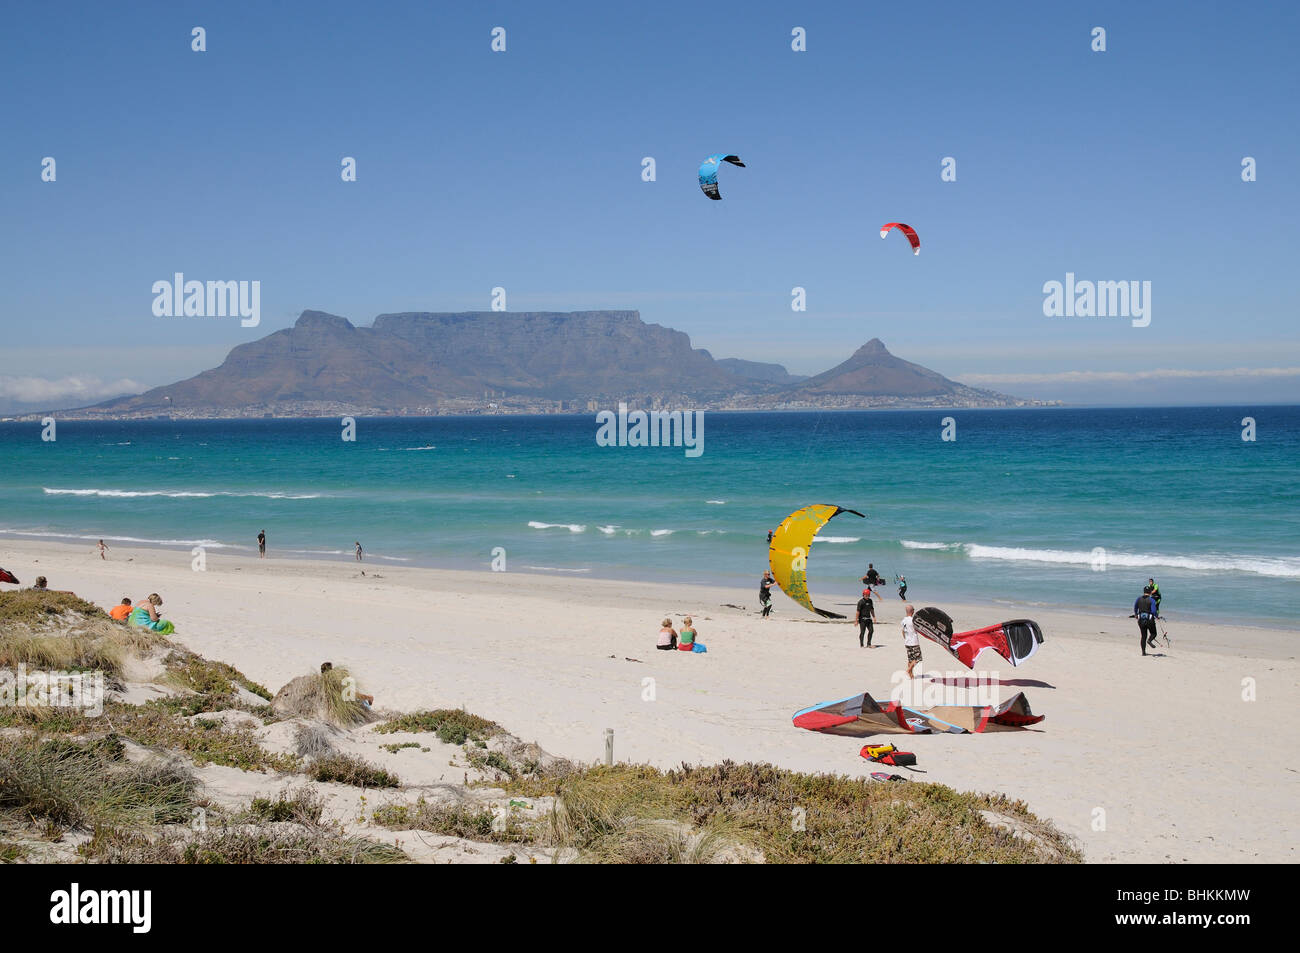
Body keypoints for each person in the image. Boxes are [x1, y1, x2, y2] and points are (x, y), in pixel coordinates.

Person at [1134, 586, 1161, 655]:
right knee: (1153, 633)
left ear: (1144, 592)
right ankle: (1149, 640)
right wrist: (1157, 616)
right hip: (1149, 620)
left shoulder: (1138, 599)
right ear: (1150, 592)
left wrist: (1136, 614)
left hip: (1141, 619)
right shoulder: (1152, 600)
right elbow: (1154, 611)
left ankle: (1143, 652)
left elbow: (1135, 607)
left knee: (1143, 636)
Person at [901, 603, 921, 677]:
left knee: (910, 659)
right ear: (912, 611)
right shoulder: (913, 620)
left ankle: (911, 675)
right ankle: (909, 670)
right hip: (914, 642)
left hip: (907, 642)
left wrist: (906, 639)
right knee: (917, 658)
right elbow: (918, 629)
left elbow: (902, 631)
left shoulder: (903, 620)